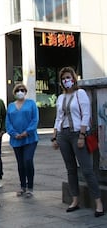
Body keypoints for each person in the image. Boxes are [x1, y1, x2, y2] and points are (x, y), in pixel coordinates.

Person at [52, 67, 104, 217]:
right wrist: (55, 137)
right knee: (71, 169)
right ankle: (75, 199)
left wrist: (82, 135)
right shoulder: (60, 97)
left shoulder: (80, 94)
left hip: (77, 134)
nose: (66, 80)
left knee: (87, 170)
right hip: (63, 135)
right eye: (63, 78)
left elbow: (86, 114)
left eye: (68, 77)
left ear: (73, 79)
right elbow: (58, 118)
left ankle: (98, 202)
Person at [5, 83, 39, 198]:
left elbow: (35, 119)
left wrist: (27, 132)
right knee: (20, 164)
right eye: (18, 90)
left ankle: (30, 187)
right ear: (14, 92)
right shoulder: (10, 106)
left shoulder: (31, 104)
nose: (20, 92)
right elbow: (8, 122)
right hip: (16, 140)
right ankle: (22, 186)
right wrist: (14, 134)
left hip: (30, 138)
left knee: (28, 160)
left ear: (25, 92)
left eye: (22, 90)